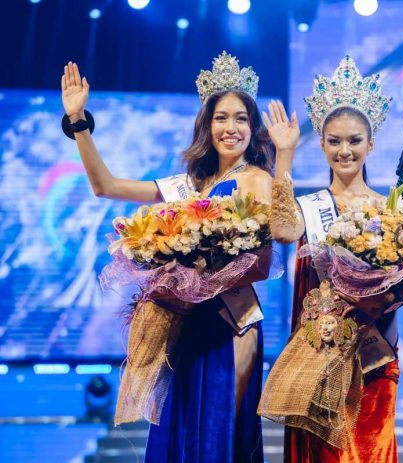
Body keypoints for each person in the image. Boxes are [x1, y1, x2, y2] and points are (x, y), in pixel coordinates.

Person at [60, 52, 274, 462]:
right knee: (179, 432)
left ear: (253, 127)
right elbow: (104, 187)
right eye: (221, 118)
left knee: (220, 435)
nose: (231, 128)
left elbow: (261, 264)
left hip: (232, 323)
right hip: (184, 324)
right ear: (207, 126)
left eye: (241, 118)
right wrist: (79, 124)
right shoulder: (188, 185)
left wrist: (195, 283)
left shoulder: (257, 180)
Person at [262, 56, 403, 463]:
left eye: (354, 140)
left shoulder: (388, 207)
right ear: (320, 143)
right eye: (334, 140)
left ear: (370, 145)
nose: (344, 150)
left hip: (373, 360)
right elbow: (282, 231)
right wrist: (284, 153)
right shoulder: (310, 207)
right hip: (318, 360)